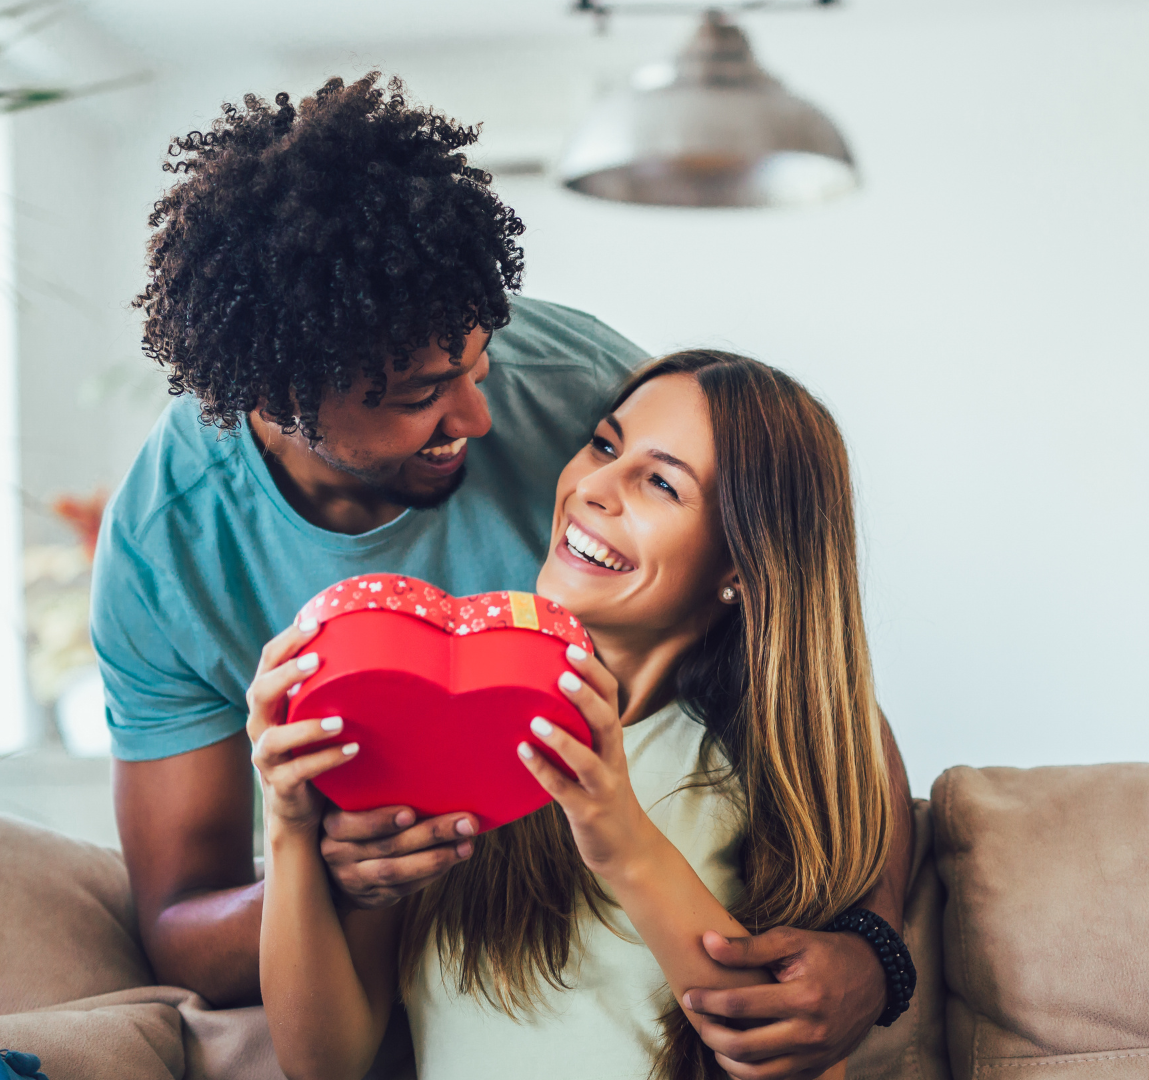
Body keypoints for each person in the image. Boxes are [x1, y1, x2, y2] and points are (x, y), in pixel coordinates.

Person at [94, 74, 915, 1079]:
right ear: (280, 395)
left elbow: (811, 681)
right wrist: (320, 855)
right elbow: (198, 938)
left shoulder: (583, 388)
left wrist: (875, 952)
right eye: (422, 394)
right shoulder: (168, 549)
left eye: (479, 365)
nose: (481, 420)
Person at [250, 351, 908, 1080]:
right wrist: (289, 826)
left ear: (741, 566)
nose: (592, 488)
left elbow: (792, 1060)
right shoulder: (447, 729)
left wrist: (619, 837)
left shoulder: (755, 773)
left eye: (661, 483)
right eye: (602, 445)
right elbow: (324, 1064)